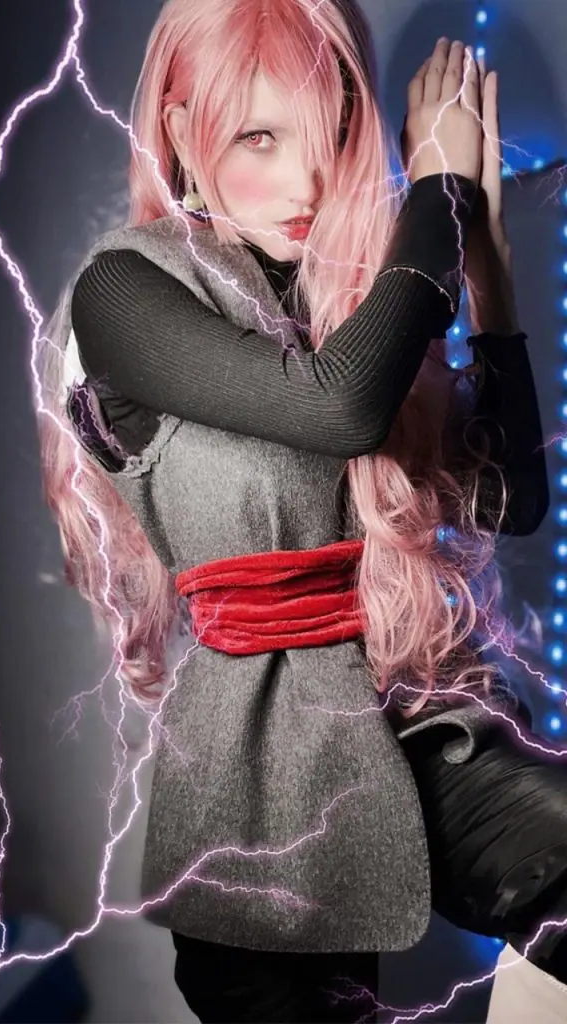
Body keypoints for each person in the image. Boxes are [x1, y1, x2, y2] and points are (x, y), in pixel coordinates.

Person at [36, 1, 567, 1020]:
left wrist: (490, 275)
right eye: (259, 137)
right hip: (260, 788)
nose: (309, 183)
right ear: (184, 133)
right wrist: (440, 192)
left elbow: (515, 499)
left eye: (331, 134)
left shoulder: (359, 294)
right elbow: (337, 408)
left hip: (414, 730)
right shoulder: (126, 290)